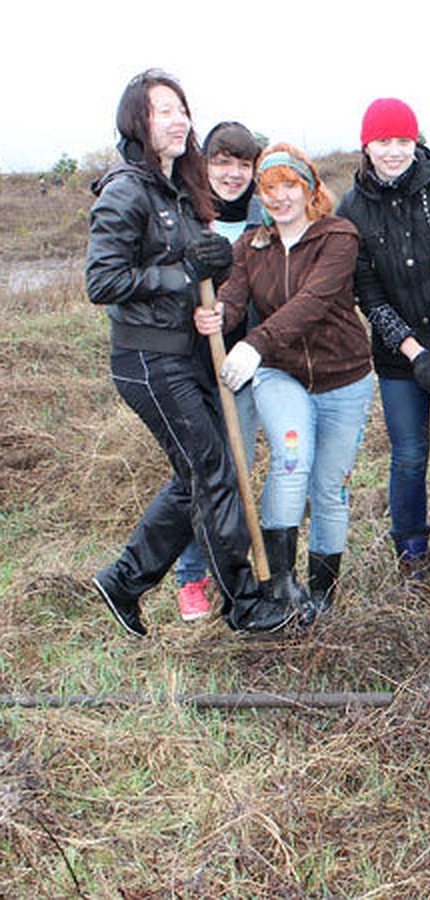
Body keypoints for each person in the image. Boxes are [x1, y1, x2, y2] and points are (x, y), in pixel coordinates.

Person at [85, 69, 294, 636]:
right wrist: (181, 273)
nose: (177, 120)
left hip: (186, 353)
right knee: (214, 472)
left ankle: (124, 580)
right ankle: (245, 605)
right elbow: (102, 280)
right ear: (137, 121)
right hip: (149, 360)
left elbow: (196, 270)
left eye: (181, 110)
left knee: (194, 476)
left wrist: (213, 271)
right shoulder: (127, 188)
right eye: (162, 111)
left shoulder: (178, 187)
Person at [197, 144, 374, 626]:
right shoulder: (250, 247)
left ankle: (322, 592)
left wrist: (253, 343)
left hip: (346, 379)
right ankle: (280, 585)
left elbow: (313, 301)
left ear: (309, 188)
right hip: (281, 374)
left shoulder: (339, 237)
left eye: (289, 186)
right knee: (292, 462)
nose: (279, 198)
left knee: (330, 486)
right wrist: (217, 316)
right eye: (269, 189)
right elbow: (233, 300)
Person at [336, 98, 430, 583]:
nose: (394, 151)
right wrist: (413, 351)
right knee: (408, 456)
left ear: (415, 141)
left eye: (403, 140)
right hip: (400, 356)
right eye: (384, 141)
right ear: (367, 145)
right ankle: (412, 557)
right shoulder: (353, 207)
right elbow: (369, 293)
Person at [172, 121, 264, 623]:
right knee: (193, 474)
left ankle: (234, 571)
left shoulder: (262, 218)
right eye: (222, 163)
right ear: (204, 164)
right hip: (187, 365)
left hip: (241, 366)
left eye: (243, 164)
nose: (233, 174)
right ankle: (191, 578)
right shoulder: (186, 215)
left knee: (234, 472)